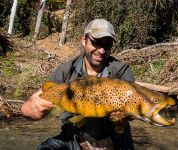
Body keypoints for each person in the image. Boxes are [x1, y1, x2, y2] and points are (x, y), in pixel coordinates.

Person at [21, 19, 135, 150]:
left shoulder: (121, 71)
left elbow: (133, 109)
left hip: (114, 140)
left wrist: (123, 115)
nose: (102, 50)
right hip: (73, 139)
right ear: (84, 40)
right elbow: (31, 106)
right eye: (96, 43)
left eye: (107, 45)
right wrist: (31, 108)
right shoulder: (66, 71)